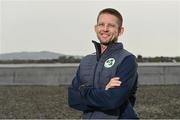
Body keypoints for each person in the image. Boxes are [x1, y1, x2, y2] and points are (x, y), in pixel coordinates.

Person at [68, 8, 138, 119]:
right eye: (101, 24)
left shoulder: (127, 60)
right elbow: (73, 100)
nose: (105, 29)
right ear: (96, 28)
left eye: (111, 25)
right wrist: (104, 90)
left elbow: (113, 100)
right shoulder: (86, 60)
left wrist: (83, 92)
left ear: (120, 31)